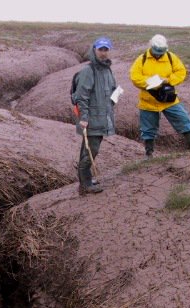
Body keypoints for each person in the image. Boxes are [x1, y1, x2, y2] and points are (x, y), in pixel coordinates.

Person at [129, 34, 190, 158]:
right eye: (156, 52)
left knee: (184, 121)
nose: (158, 54)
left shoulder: (171, 57)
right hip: (148, 101)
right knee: (148, 130)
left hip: (169, 100)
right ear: (151, 46)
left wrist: (168, 80)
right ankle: (149, 154)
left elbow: (181, 72)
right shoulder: (141, 59)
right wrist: (153, 83)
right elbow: (135, 78)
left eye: (161, 52)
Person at [72, 36, 117, 195]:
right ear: (94, 50)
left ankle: (86, 179)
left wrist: (114, 97)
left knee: (89, 149)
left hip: (101, 117)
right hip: (91, 119)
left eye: (106, 50)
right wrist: (84, 118)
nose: (103, 53)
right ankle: (85, 185)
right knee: (92, 149)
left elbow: (110, 90)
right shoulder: (88, 71)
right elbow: (81, 96)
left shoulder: (107, 69)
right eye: (100, 49)